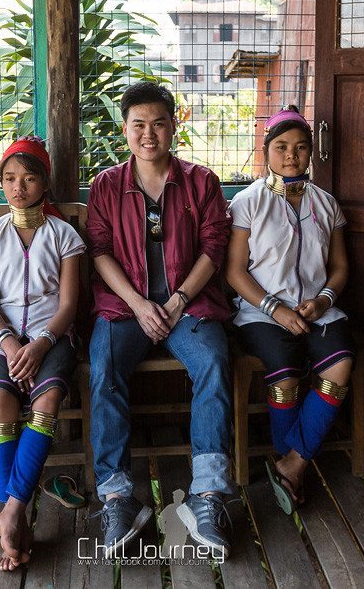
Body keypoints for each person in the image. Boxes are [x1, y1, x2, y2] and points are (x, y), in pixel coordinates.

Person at [86, 81, 234, 557]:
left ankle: (207, 494)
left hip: (188, 304)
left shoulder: (200, 181)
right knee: (104, 368)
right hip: (126, 308)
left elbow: (214, 248)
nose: (149, 134)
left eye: (158, 123)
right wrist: (137, 303)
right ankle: (116, 498)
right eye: (138, 125)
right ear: (124, 129)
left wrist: (175, 300)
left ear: (174, 125)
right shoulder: (107, 185)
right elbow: (100, 252)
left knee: (213, 361)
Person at [225, 105, 354, 514]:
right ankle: (292, 464)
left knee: (341, 362)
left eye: (301, 147)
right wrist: (275, 309)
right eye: (281, 147)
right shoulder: (249, 202)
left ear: (311, 153)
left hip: (318, 310)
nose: (291, 155)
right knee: (284, 367)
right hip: (260, 312)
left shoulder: (326, 204)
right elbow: (234, 271)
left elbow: (339, 268)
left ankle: (292, 464)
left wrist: (323, 300)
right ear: (267, 152)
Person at [0, 136, 85, 571]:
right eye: (10, 179)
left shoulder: (65, 235)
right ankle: (12, 510)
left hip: (53, 337)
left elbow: (69, 305)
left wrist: (40, 344)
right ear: (1, 184)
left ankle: (11, 511)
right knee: (0, 403)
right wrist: (9, 342)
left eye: (29, 178)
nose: (19, 187)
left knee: (47, 401)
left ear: (44, 183)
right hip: (0, 339)